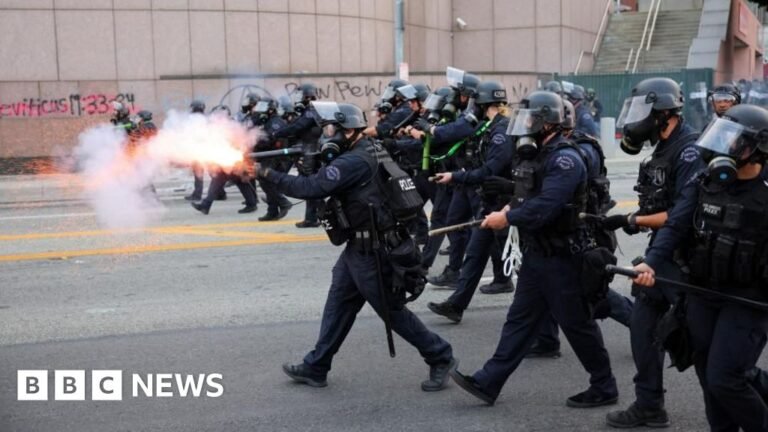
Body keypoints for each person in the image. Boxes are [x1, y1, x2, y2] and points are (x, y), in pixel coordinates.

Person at [255, 101, 456, 391]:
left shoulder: (354, 161)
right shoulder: (366, 148)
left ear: (348, 132)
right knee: (339, 302)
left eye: (331, 129)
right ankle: (317, 365)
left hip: (376, 251)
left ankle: (440, 356)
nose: (327, 135)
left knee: (392, 312)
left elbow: (312, 189)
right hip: (359, 247)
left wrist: (266, 174)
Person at [449, 90, 618, 409]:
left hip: (564, 257)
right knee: (520, 320)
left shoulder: (565, 159)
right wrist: (503, 209)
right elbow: (524, 196)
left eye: (529, 119)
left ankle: (605, 385)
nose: (523, 124)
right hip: (539, 254)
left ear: (547, 123)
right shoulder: (535, 155)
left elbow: (545, 207)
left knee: (577, 325)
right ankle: (489, 381)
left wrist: (507, 217)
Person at [630, 104, 768, 432]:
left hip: (749, 299)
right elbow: (676, 225)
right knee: (708, 377)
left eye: (735, 141)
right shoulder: (707, 179)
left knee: (726, 379)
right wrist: (651, 262)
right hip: (703, 292)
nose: (724, 148)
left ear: (758, 148)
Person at [603, 77, 704, 428]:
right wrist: (636, 220)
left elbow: (681, 214)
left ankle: (742, 405)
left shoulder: (690, 150)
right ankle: (649, 405)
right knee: (643, 330)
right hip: (661, 256)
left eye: (643, 111)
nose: (636, 119)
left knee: (705, 346)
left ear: (664, 114)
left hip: (688, 262)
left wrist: (634, 218)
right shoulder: (662, 150)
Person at [526, 99, 634, 358]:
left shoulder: (579, 149)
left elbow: (561, 187)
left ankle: (644, 326)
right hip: (555, 228)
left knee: (593, 292)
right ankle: (547, 339)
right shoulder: (550, 146)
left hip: (584, 228)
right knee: (544, 284)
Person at [425, 80, 515, 323]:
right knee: (475, 255)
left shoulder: (501, 132)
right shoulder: (489, 127)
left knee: (526, 267)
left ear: (483, 103)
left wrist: (456, 176)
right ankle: (456, 305)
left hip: (504, 206)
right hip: (490, 203)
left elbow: (489, 171)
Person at [273, 83, 323, 228]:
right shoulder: (307, 111)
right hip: (306, 151)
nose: (297, 99)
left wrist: (277, 133)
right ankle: (312, 218)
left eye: (300, 96)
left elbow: (297, 127)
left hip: (311, 153)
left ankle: (316, 217)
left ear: (307, 97)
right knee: (310, 187)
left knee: (310, 187)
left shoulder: (312, 111)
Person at [251, 97, 292, 221]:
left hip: (276, 158)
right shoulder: (267, 122)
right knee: (267, 182)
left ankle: (284, 202)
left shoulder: (275, 122)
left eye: (263, 108)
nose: (260, 111)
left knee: (266, 182)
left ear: (271, 110)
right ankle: (272, 211)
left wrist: (255, 142)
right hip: (268, 157)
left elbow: (269, 140)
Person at [186, 100, 208, 201]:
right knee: (198, 173)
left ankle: (197, 194)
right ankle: (196, 193)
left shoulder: (199, 120)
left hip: (200, 151)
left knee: (199, 174)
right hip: (198, 150)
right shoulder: (201, 119)